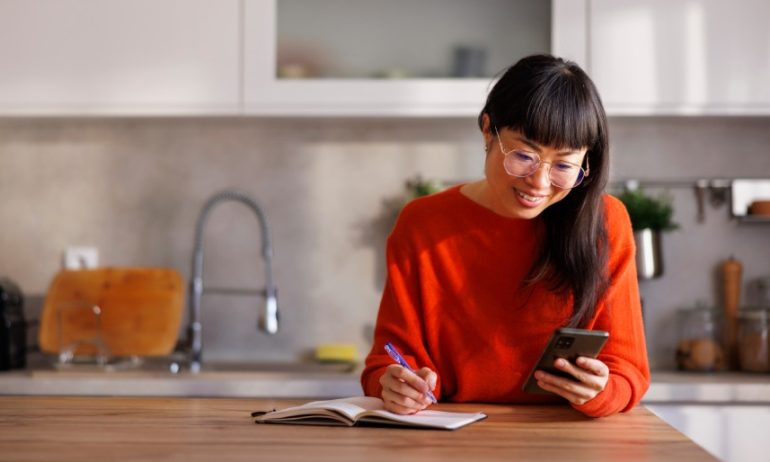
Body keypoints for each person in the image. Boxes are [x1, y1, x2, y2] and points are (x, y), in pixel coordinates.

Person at [360, 54, 650, 418]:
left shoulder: (605, 221)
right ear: (487, 129)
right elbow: (386, 362)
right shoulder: (422, 223)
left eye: (564, 165)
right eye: (524, 155)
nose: (540, 182)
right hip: (453, 439)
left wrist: (600, 391)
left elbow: (630, 372)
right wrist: (395, 385)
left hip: (568, 439)